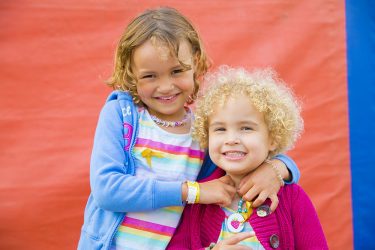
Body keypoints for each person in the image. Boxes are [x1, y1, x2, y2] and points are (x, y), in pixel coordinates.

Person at [78, 7, 300, 250]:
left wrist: (279, 168)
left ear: (195, 63)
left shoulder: (203, 129)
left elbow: (241, 160)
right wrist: (193, 191)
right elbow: (107, 190)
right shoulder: (122, 114)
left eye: (176, 71)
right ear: (131, 73)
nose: (165, 86)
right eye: (150, 76)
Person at [168, 66, 328, 249]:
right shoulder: (198, 201)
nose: (231, 139)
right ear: (206, 136)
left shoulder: (293, 199)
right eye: (220, 129)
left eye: (246, 128)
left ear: (273, 139)